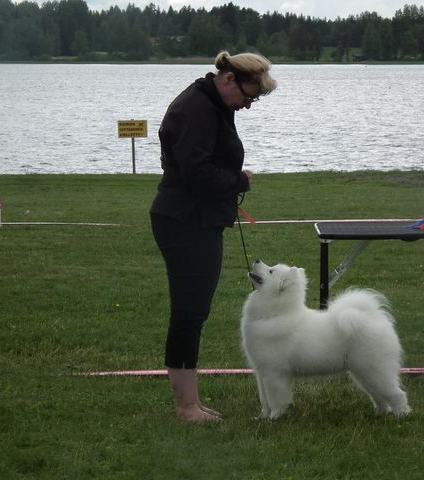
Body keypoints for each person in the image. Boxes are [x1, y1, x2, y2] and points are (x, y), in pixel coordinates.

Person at [150, 51, 277, 422]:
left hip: (196, 220)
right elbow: (197, 174)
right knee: (188, 314)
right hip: (185, 221)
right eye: (249, 97)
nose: (249, 106)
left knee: (194, 313)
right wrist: (239, 181)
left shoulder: (211, 103)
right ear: (229, 80)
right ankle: (186, 407)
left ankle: (191, 402)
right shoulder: (198, 109)